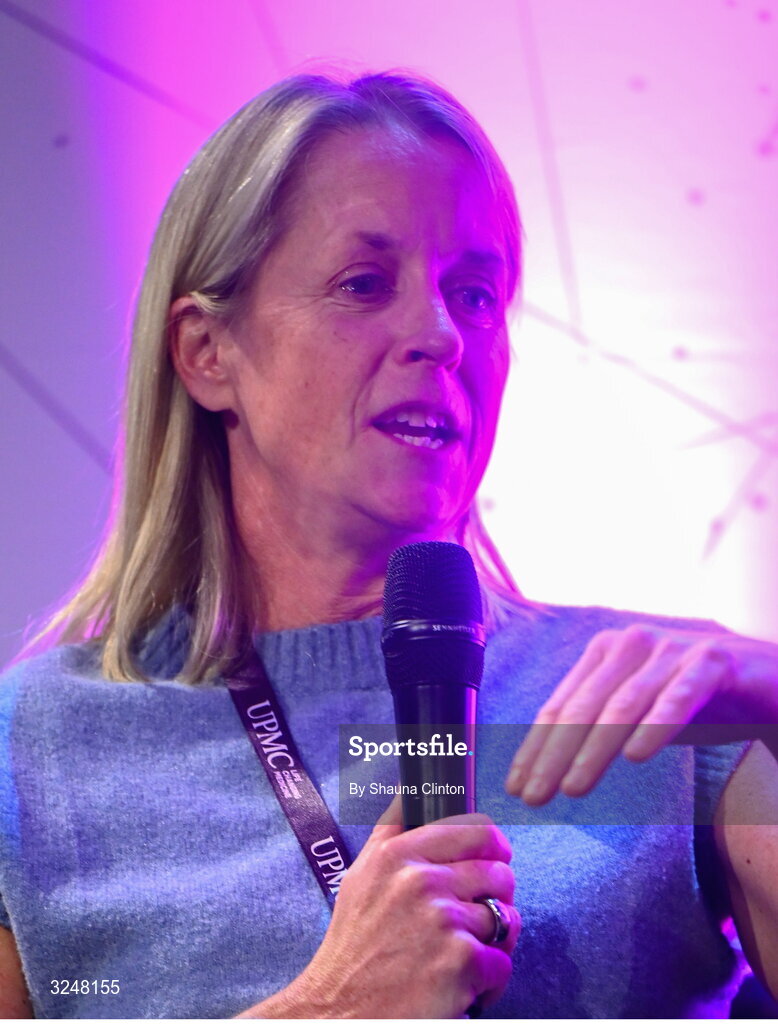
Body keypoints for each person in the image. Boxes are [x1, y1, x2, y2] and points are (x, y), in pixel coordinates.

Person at [0, 69, 777, 1019]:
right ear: (208, 353)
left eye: (476, 294)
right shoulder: (37, 747)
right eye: (364, 284)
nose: (440, 334)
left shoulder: (658, 713)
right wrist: (327, 1009)